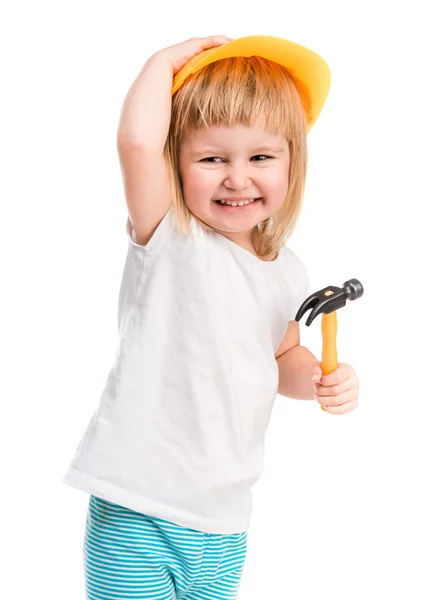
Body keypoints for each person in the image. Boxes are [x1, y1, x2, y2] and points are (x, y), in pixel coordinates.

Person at [62, 34, 360, 600]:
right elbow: (134, 143)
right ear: (177, 159)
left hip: (224, 522)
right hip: (139, 506)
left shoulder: (286, 271)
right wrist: (161, 64)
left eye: (261, 157)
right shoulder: (170, 232)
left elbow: (281, 356)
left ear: (293, 161)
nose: (237, 177)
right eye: (212, 157)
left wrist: (320, 379)